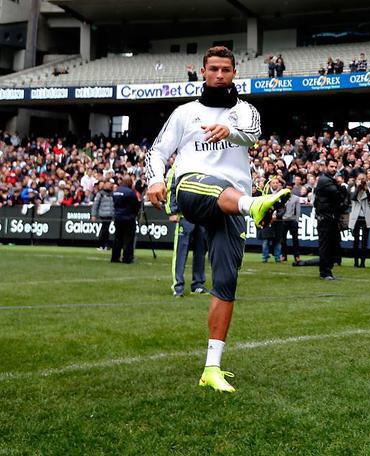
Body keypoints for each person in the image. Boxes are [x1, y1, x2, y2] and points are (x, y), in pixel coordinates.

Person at [144, 46, 288, 394]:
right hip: (192, 188)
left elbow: (253, 134)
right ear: (204, 72)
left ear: (234, 73)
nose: (219, 75)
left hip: (232, 201)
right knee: (211, 189)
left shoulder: (245, 111)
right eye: (213, 69)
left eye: (225, 69)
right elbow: (158, 151)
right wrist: (155, 179)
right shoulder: (185, 113)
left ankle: (212, 368)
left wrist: (229, 132)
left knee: (225, 283)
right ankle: (253, 205)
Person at [166, 165, 207, 297]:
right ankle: (178, 285)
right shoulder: (179, 165)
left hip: (201, 216)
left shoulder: (205, 163)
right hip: (184, 216)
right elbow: (171, 188)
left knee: (201, 251)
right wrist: (172, 211)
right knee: (181, 252)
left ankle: (198, 284)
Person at [315, 160, 346, 279]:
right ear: (326, 167)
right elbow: (338, 196)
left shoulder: (329, 181)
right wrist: (342, 186)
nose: (334, 169)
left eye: (335, 167)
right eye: (331, 166)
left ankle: (327, 269)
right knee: (326, 245)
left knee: (333, 244)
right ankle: (325, 272)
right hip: (325, 218)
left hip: (330, 218)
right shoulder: (325, 180)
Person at [110, 176, 140, 264]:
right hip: (128, 218)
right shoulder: (130, 192)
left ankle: (115, 257)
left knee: (117, 238)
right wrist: (134, 214)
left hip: (118, 217)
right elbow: (135, 206)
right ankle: (127, 258)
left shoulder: (116, 191)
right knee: (128, 239)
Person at [349, 172, 370, 268]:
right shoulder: (353, 188)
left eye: (363, 179)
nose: (361, 181)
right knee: (355, 240)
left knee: (364, 241)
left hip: (365, 216)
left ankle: (363, 262)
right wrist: (358, 187)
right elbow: (352, 198)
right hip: (356, 216)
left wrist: (366, 189)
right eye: (360, 179)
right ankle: (355, 262)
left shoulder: (367, 188)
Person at [90, 179, 114, 251]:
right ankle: (102, 244)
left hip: (110, 214)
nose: (109, 185)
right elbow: (95, 205)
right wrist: (93, 215)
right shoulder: (100, 193)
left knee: (106, 230)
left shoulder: (112, 193)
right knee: (105, 230)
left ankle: (104, 245)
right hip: (103, 214)